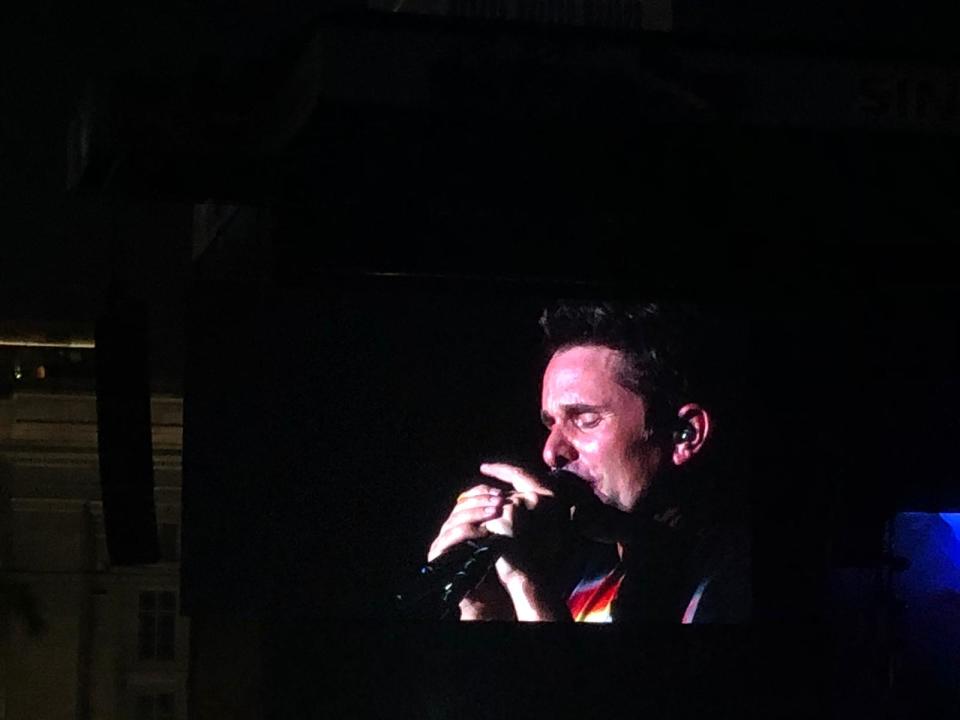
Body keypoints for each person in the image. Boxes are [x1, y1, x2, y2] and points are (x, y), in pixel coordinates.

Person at [426, 301, 751, 622]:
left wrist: (526, 582)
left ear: (684, 435)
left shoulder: (736, 581)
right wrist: (484, 610)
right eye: (550, 423)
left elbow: (574, 677)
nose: (551, 452)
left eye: (584, 419)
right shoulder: (586, 580)